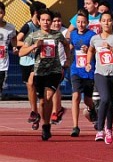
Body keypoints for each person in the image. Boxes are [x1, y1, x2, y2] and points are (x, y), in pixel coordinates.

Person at [18, 8, 72, 141]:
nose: (46, 22)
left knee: (48, 97)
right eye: (43, 20)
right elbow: (21, 52)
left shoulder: (57, 35)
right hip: (39, 72)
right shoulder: (33, 36)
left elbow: (66, 45)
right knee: (42, 102)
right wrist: (34, 46)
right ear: (39, 21)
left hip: (54, 71)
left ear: (51, 21)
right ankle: (45, 124)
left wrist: (68, 59)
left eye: (48, 20)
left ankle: (46, 125)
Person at [85, 10, 113, 144]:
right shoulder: (95, 38)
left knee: (110, 103)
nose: (106, 23)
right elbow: (91, 50)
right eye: (104, 21)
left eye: (109, 20)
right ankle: (100, 129)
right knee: (105, 99)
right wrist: (88, 62)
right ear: (100, 22)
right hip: (100, 74)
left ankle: (109, 129)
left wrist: (111, 48)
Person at [17, 0, 46, 129]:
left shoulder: (44, 26)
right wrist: (30, 45)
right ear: (36, 13)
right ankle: (35, 113)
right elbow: (17, 41)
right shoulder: (27, 26)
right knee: (30, 87)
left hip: (39, 61)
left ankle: (37, 113)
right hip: (26, 61)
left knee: (32, 84)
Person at [68, 9, 97, 137]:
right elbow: (69, 47)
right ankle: (75, 126)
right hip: (76, 70)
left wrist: (89, 50)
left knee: (87, 99)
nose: (81, 24)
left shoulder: (92, 35)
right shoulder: (73, 34)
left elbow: (96, 50)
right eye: (78, 22)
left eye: (83, 22)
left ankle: (92, 109)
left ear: (87, 23)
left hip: (88, 70)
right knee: (76, 96)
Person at [0, 2, 16, 98]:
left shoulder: (10, 27)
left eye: (1, 13)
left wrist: (14, 47)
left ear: (4, 13)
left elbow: (14, 39)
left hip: (3, 61)